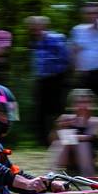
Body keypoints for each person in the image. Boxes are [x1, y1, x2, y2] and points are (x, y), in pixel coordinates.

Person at [26, 16, 70, 145]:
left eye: (37, 26)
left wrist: (59, 74)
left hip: (57, 78)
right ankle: (44, 141)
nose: (35, 29)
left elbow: (66, 58)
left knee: (59, 110)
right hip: (41, 80)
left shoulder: (56, 38)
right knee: (41, 111)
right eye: (32, 27)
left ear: (44, 26)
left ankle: (65, 139)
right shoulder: (34, 41)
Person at [51, 89, 98, 177]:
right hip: (68, 156)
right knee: (59, 143)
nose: (83, 105)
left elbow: (89, 137)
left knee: (82, 144)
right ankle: (51, 175)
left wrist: (69, 135)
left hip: (88, 156)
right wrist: (59, 127)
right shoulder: (65, 118)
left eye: (86, 102)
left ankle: (88, 176)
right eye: (79, 102)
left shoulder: (96, 121)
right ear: (73, 104)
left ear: (92, 104)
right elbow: (52, 139)